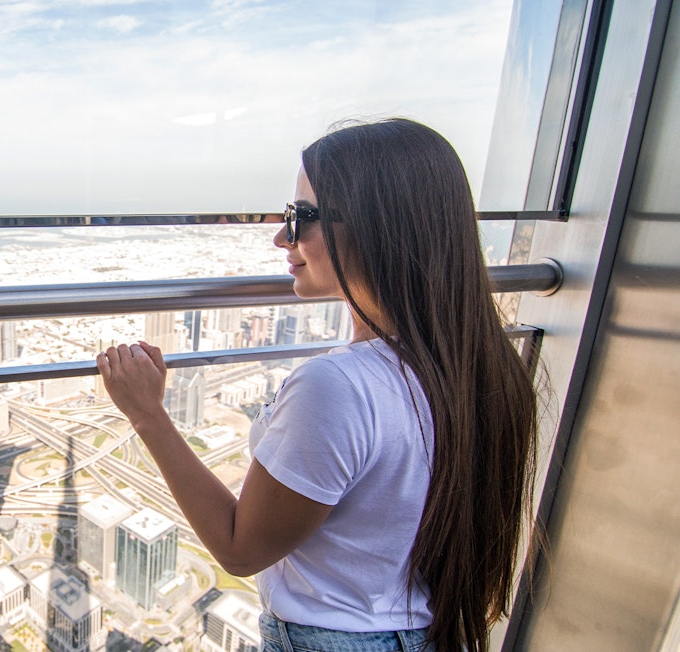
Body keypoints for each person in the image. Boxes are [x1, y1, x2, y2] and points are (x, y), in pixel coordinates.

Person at [96, 118, 538, 652]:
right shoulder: (483, 364)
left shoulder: (340, 387)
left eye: (301, 216)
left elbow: (240, 549)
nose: (282, 236)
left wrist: (148, 415)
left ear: (377, 227)